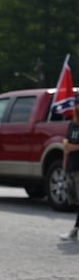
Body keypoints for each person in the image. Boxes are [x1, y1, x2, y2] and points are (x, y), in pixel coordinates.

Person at [60, 101, 79, 240]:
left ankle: (75, 230)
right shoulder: (72, 125)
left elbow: (71, 146)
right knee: (75, 201)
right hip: (72, 167)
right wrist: (65, 165)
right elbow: (66, 145)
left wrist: (74, 147)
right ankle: (75, 230)